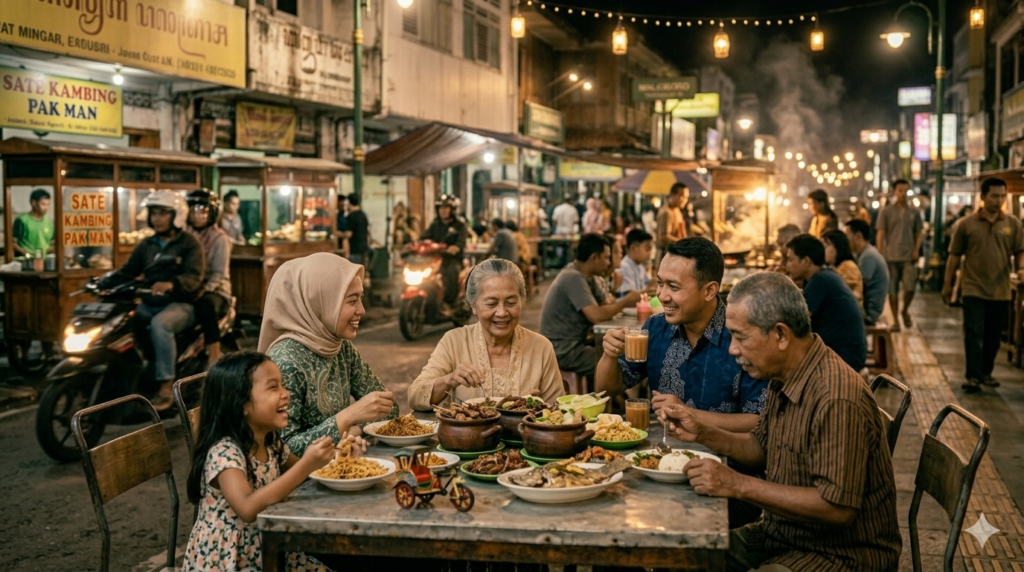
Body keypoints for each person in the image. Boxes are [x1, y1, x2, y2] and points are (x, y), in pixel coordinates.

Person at [660, 272, 900, 571]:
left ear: (781, 335)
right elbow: (760, 446)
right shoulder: (783, 374)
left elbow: (837, 508)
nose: (733, 349)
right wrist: (704, 432)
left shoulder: (835, 397)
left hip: (839, 554)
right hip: (781, 535)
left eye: (741, 337)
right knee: (676, 557)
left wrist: (736, 484)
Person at [183, 351, 355, 571]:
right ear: (241, 404)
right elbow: (247, 508)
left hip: (269, 548)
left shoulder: (271, 442)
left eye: (283, 385)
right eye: (273, 387)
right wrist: (306, 464)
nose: (286, 394)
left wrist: (344, 456)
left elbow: (310, 475)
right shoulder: (225, 451)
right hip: (228, 560)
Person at [597, 237, 768, 430]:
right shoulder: (655, 327)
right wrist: (609, 354)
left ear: (710, 291)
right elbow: (606, 390)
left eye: (674, 287)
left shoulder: (742, 336)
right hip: (660, 453)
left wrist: (690, 414)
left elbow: (759, 420)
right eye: (660, 283)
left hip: (722, 457)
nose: (662, 296)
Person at [257, 253, 398, 455]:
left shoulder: (340, 347)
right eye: (352, 301)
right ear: (320, 302)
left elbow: (388, 408)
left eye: (361, 298)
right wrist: (346, 418)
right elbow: (280, 451)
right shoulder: (286, 361)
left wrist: (351, 433)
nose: (362, 310)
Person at [408, 260, 565, 409]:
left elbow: (558, 410)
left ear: (522, 301)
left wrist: (537, 407)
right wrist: (449, 380)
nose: (502, 312)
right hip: (464, 438)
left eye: (511, 303)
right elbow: (415, 396)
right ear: (473, 305)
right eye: (491, 304)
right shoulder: (454, 341)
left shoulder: (541, 347)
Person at [99, 190, 205, 409]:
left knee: (160, 324)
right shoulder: (147, 245)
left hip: (182, 303)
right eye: (154, 213)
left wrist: (172, 284)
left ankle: (167, 386)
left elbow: (194, 278)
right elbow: (128, 270)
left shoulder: (189, 244)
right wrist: (103, 281)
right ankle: (141, 372)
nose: (156, 218)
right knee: (130, 321)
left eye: (162, 213)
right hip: (151, 302)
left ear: (176, 216)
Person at [943, 178, 1024, 393]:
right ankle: (973, 376)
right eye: (994, 196)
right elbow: (954, 256)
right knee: (973, 332)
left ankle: (986, 372)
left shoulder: (1012, 224)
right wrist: (948, 285)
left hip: (1000, 290)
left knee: (993, 335)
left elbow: (1019, 250)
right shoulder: (966, 224)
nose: (998, 201)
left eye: (1001, 196)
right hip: (973, 288)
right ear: (983, 197)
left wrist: (1022, 268)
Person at [539, 234, 642, 378]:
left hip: (576, 344)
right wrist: (626, 301)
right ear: (594, 258)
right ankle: (607, 399)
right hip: (562, 350)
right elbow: (596, 315)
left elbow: (607, 305)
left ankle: (614, 398)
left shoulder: (589, 277)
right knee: (620, 361)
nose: (608, 263)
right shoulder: (573, 277)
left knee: (622, 353)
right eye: (606, 258)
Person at [786, 234, 867, 371]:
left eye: (790, 260)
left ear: (806, 261)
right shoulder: (825, 275)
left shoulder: (820, 281)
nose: (787, 265)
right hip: (849, 354)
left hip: (844, 358)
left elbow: (797, 322)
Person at [186, 190, 233, 365]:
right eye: (194, 210)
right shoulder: (183, 235)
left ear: (212, 213)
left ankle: (214, 354)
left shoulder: (219, 238)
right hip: (189, 286)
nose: (198, 215)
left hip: (216, 290)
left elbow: (218, 274)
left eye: (203, 211)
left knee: (205, 305)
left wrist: (204, 289)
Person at [876, 180, 924, 331]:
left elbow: (919, 232)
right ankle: (895, 320)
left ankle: (904, 311)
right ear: (895, 192)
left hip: (909, 255)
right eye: (900, 191)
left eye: (905, 191)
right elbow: (881, 232)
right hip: (891, 256)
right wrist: (880, 252)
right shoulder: (886, 211)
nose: (903, 194)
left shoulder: (914, 212)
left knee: (910, 287)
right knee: (892, 289)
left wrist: (916, 249)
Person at [421, 194, 470, 308]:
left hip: (452, 259)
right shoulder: (435, 224)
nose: (443, 211)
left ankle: (450, 302)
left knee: (451, 272)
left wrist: (455, 247)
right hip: (435, 258)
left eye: (446, 208)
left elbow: (461, 241)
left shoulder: (460, 224)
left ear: (452, 210)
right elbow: (424, 237)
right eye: (440, 208)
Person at [846, 219, 890, 325]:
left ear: (858, 236)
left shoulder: (868, 256)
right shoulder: (865, 253)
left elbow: (860, 286)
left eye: (847, 235)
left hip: (869, 314)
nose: (846, 240)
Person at [823, 229, 863, 305]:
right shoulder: (835, 267)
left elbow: (841, 292)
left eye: (826, 246)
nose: (823, 250)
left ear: (838, 247)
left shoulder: (849, 266)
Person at [12, 188, 54, 257]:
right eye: (43, 204)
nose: (46, 207)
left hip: (44, 261)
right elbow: (12, 243)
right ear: (33, 203)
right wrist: (26, 254)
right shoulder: (22, 220)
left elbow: (52, 242)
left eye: (48, 204)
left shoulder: (49, 221)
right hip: (25, 261)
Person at [617, 228, 655, 297]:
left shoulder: (640, 266)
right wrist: (649, 290)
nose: (650, 253)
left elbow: (648, 284)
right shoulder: (624, 267)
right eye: (647, 249)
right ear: (633, 249)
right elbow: (629, 297)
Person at [657, 184, 688, 258]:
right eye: (681, 196)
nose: (684, 200)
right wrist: (682, 244)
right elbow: (663, 237)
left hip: (675, 254)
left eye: (686, 197)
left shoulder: (677, 210)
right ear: (672, 195)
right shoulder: (666, 212)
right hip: (666, 255)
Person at [343, 194, 370, 265]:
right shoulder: (363, 215)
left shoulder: (351, 216)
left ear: (349, 203)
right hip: (364, 248)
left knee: (354, 274)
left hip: (354, 250)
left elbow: (349, 234)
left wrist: (339, 233)